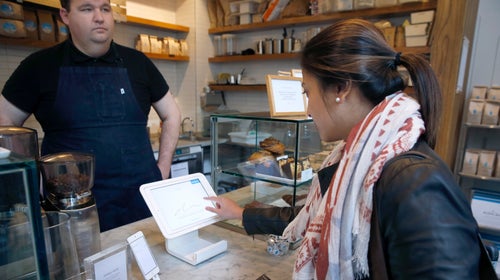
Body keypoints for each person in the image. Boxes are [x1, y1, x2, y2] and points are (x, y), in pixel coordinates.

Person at [205, 19, 497, 279]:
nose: (308, 110)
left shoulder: (413, 180)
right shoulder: (358, 159)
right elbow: (312, 215)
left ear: (341, 89)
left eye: (308, 92)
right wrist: (240, 213)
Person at [0, 0, 181, 232]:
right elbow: (6, 126)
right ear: (65, 16)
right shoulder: (38, 67)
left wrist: (163, 169)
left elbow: (172, 114)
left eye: (105, 9)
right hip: (75, 210)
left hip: (142, 203)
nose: (99, 17)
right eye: (87, 9)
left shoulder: (138, 63)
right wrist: (34, 182)